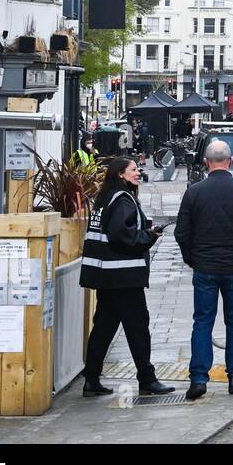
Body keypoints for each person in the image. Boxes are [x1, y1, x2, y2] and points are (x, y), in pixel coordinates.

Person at [175, 140, 233, 401]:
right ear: (230, 161)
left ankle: (198, 379)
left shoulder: (194, 192)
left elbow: (182, 232)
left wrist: (192, 258)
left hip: (204, 266)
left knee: (202, 323)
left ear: (206, 162)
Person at [80, 158, 175, 397]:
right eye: (133, 170)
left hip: (107, 276)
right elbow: (123, 237)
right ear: (121, 174)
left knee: (103, 328)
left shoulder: (105, 198)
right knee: (138, 328)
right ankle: (147, 379)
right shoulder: (123, 199)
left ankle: (91, 380)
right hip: (124, 278)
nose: (137, 172)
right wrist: (149, 236)